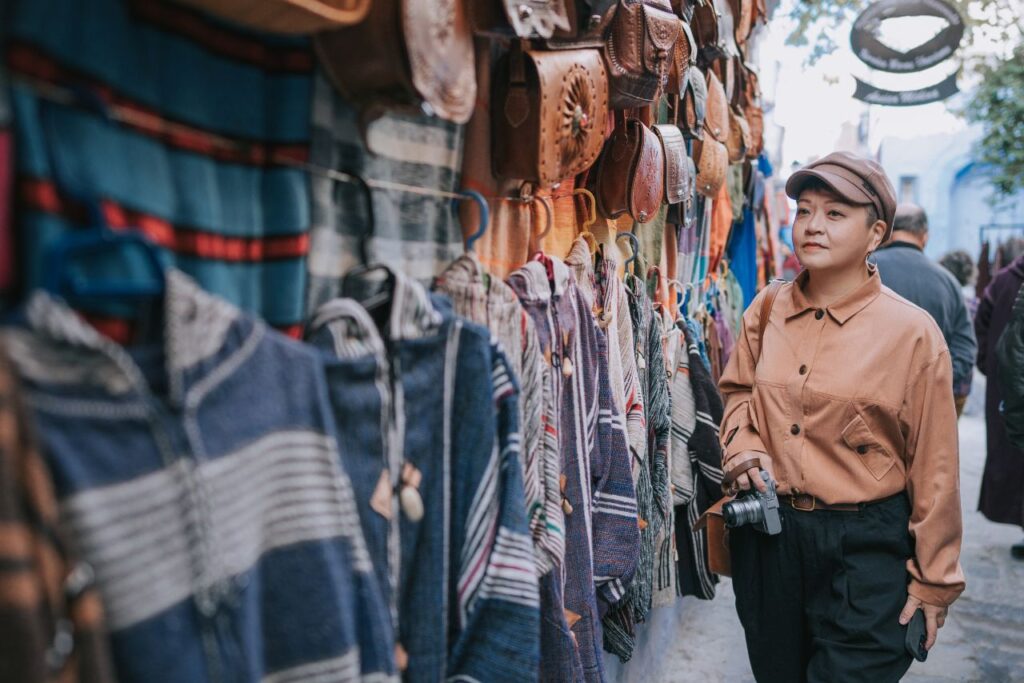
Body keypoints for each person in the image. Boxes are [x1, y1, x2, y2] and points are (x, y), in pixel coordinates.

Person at [719, 151, 965, 682]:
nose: (812, 226)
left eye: (835, 214)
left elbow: (936, 465)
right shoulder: (766, 309)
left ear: (875, 232)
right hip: (771, 540)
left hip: (866, 546)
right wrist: (742, 446)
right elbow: (737, 393)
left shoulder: (912, 334)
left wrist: (934, 580)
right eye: (804, 211)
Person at [871, 206, 977, 416]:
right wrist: (933, 385)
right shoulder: (949, 282)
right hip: (927, 407)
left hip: (866, 403)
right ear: (924, 236)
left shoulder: (865, 268)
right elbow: (965, 350)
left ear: (885, 232)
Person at [975, 250, 1024, 558]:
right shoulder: (1006, 281)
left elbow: (981, 326)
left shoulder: (1005, 281)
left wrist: (990, 366)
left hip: (1009, 392)